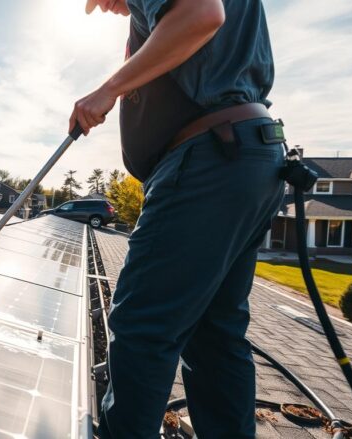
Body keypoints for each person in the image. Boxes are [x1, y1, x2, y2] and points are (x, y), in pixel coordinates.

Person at [70, 0, 285, 437]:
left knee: (141, 327)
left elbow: (201, 15)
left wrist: (107, 90)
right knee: (214, 336)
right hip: (244, 155)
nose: (104, 8)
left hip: (210, 159)